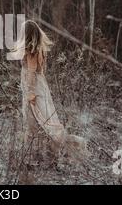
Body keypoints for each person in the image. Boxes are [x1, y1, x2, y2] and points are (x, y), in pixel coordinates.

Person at [13, 20, 87, 161]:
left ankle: (37, 157)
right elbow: (40, 72)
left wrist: (30, 93)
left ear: (27, 34)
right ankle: (44, 154)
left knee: (37, 124)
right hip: (40, 88)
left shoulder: (31, 51)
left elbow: (31, 72)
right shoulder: (38, 49)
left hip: (34, 90)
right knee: (44, 122)